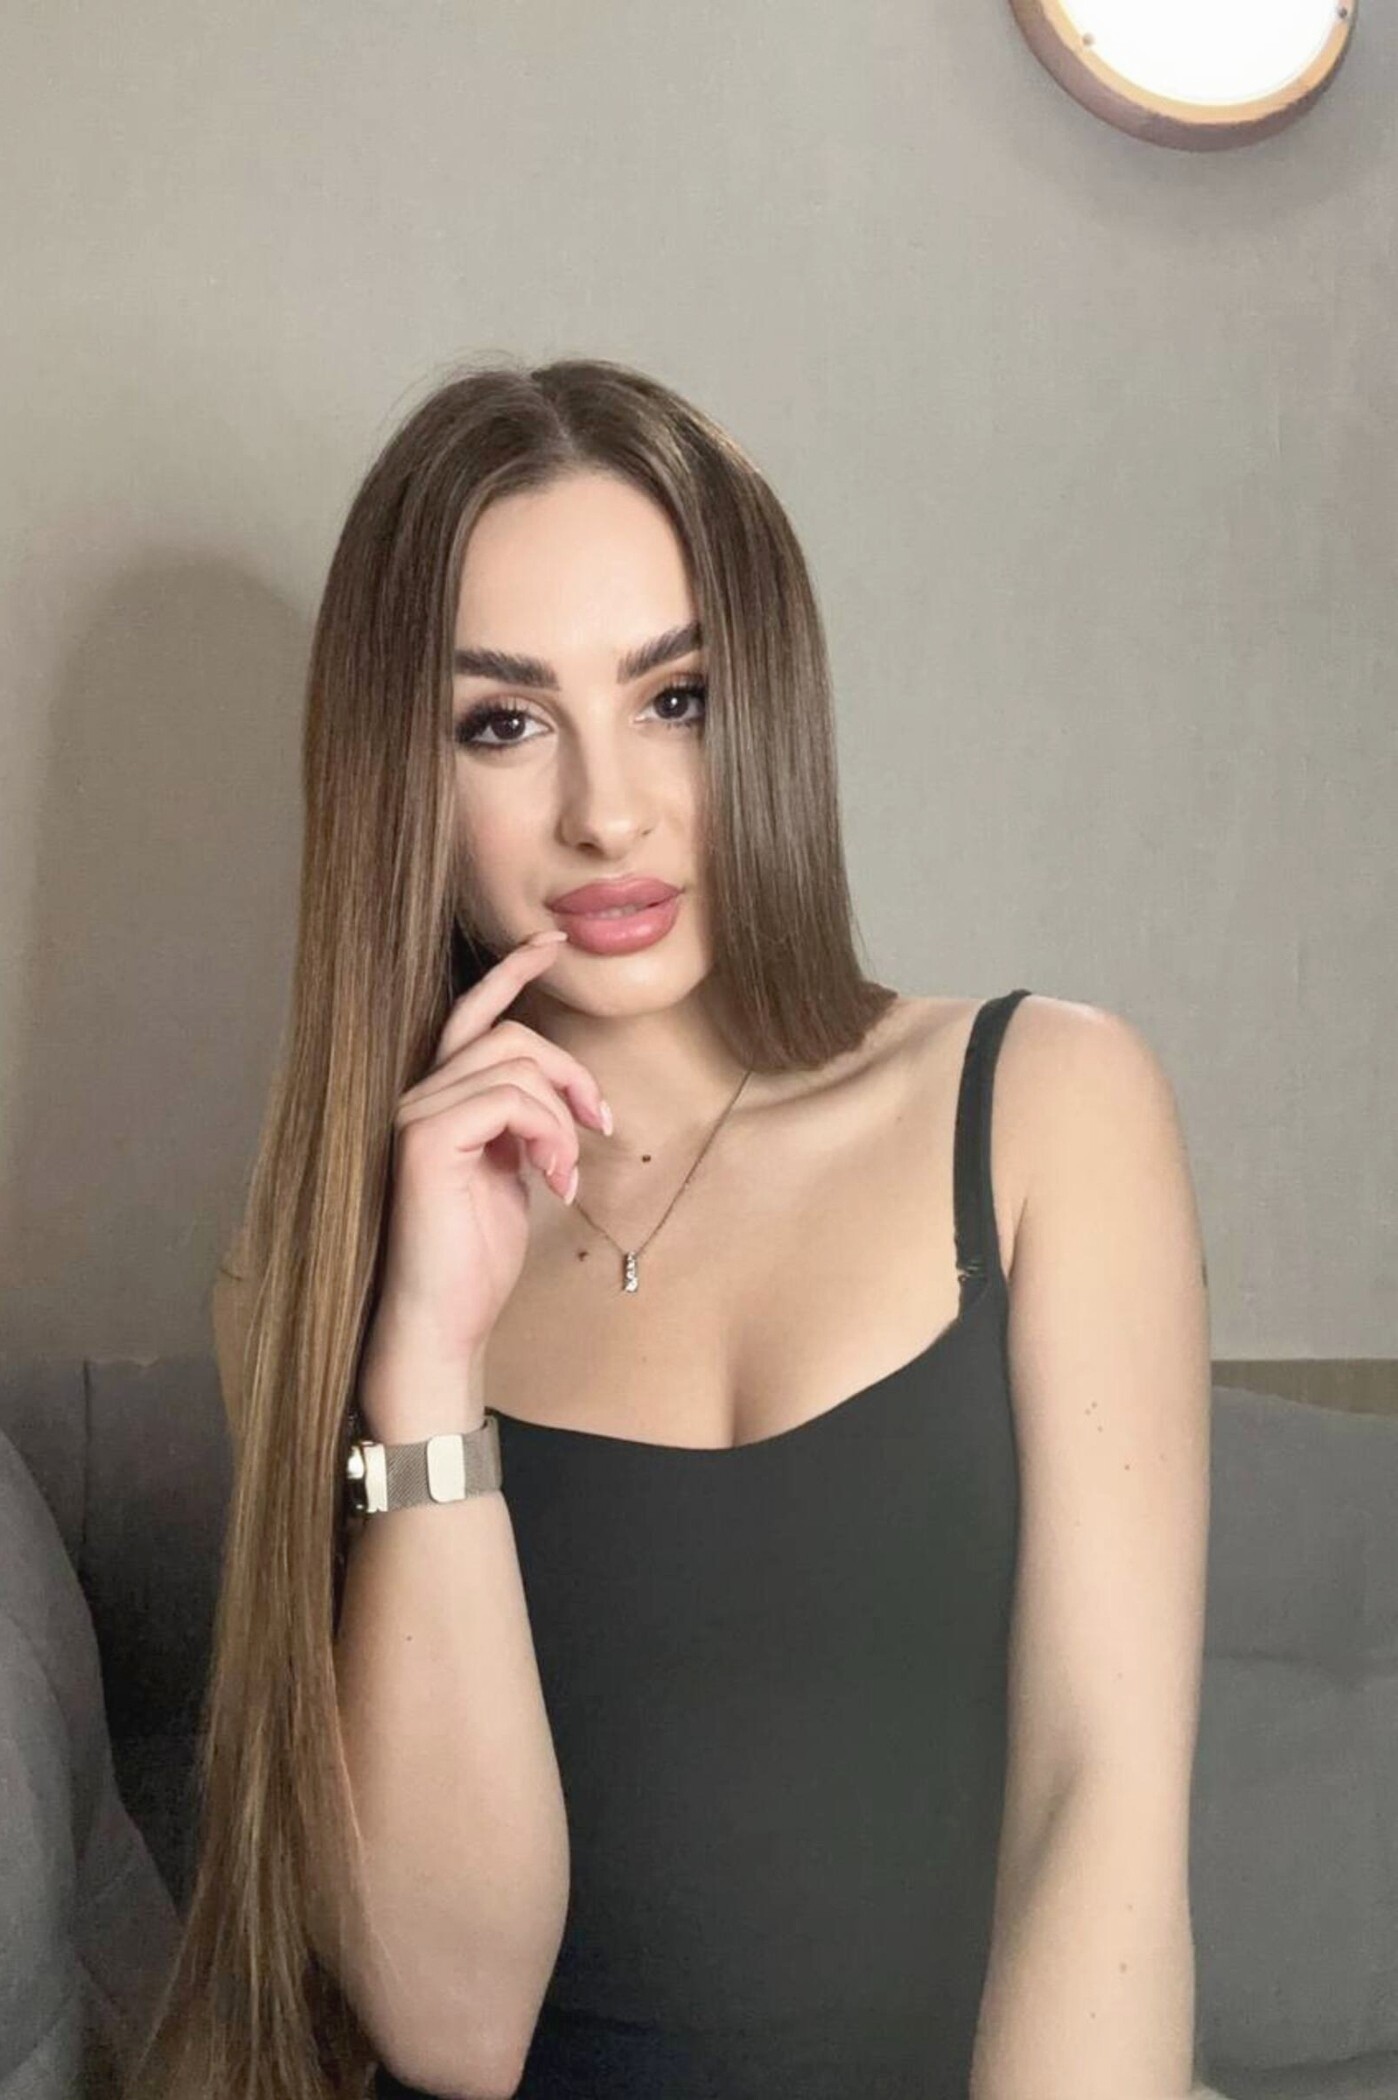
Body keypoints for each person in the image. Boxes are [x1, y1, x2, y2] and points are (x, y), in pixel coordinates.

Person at [130, 356, 1213, 2100]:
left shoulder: (1046, 1108)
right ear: (402, 780)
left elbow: (1101, 1818)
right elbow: (455, 2027)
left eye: (675, 698)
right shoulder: (317, 1272)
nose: (607, 812)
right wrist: (426, 1370)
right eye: (503, 723)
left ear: (765, 707)